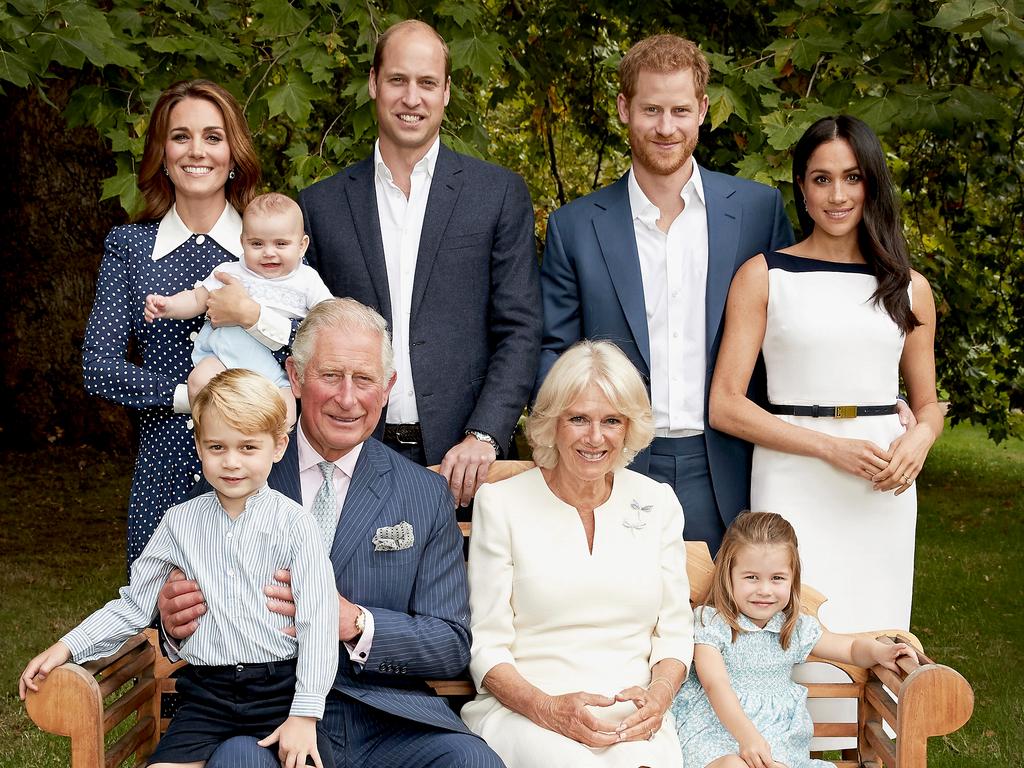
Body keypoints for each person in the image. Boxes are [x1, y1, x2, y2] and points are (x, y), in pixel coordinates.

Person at [160, 298, 504, 768]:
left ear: (386, 389)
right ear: (296, 377)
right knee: (239, 761)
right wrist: (173, 623)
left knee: (471, 762)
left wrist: (356, 623)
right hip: (261, 717)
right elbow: (171, 612)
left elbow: (449, 644)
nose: (347, 398)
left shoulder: (423, 494)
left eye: (363, 379)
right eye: (330, 376)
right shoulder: (232, 471)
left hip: (384, 717)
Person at [537, 34, 794, 555]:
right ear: (624, 108)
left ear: (702, 109)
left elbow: (795, 329)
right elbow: (552, 351)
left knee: (734, 628)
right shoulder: (576, 226)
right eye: (651, 109)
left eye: (680, 110)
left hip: (730, 460)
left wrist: (876, 405)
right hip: (616, 461)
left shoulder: (756, 212)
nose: (665, 127)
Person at [20, 369, 339, 768]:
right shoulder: (178, 522)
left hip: (280, 694)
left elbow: (318, 622)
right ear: (198, 445)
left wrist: (305, 714)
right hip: (207, 697)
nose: (232, 462)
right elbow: (133, 606)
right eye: (217, 447)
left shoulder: (296, 524)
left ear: (277, 447)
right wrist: (66, 646)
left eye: (248, 447)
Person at [708, 115, 942, 634]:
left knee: (876, 625)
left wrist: (921, 438)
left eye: (853, 177)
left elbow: (928, 404)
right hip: (792, 474)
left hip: (882, 483)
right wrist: (830, 446)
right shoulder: (765, 275)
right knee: (788, 624)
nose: (838, 195)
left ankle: (875, 716)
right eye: (822, 178)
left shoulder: (909, 288)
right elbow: (725, 404)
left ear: (872, 183)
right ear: (801, 186)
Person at [299, 19, 541, 507]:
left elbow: (520, 327)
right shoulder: (320, 206)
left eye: (427, 83)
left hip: (465, 461)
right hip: (349, 453)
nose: (412, 98)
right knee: (346, 586)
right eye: (398, 80)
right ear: (373, 83)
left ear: (447, 92)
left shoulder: (496, 195)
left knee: (462, 587)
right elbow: (303, 331)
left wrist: (486, 435)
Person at [82, 79, 297, 565]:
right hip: (167, 465)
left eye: (213, 137)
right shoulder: (130, 248)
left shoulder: (273, 243)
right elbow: (97, 365)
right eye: (180, 136)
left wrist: (254, 316)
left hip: (264, 466)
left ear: (234, 152)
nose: (196, 151)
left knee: (266, 618)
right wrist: (191, 396)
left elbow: (311, 351)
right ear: (161, 150)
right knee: (165, 619)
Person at [462, 340, 693, 767]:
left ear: (629, 427)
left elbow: (675, 633)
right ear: (552, 423)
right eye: (578, 419)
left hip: (634, 721)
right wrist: (549, 709)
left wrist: (658, 700)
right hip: (527, 715)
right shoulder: (501, 503)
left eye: (611, 420)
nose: (595, 437)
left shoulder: (657, 502)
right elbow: (486, 645)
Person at [672, 511, 915, 768]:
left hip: (778, 735)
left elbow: (852, 648)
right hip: (716, 727)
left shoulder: (793, 628)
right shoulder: (712, 622)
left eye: (777, 578)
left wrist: (879, 652)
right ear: (728, 575)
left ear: (792, 578)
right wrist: (747, 737)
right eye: (751, 577)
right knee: (733, 766)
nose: (764, 590)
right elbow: (715, 684)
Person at [145, 192, 333, 427]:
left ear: (302, 245)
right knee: (198, 381)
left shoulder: (307, 280)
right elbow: (196, 299)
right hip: (223, 360)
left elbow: (329, 317)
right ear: (242, 242)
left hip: (274, 372)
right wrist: (169, 305)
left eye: (281, 244)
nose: (269, 252)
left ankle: (266, 455)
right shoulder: (230, 271)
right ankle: (212, 436)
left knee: (287, 415)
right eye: (257, 244)